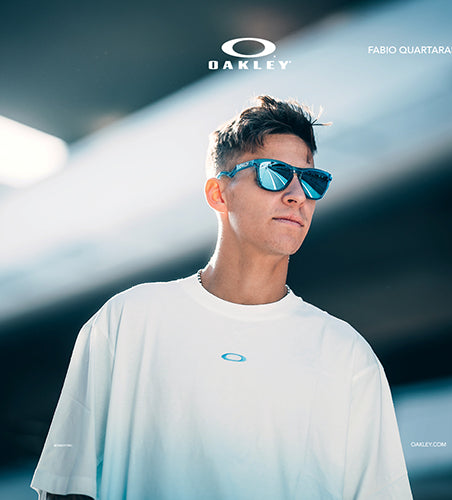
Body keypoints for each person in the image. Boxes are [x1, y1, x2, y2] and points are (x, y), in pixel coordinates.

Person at [31, 95, 413, 499]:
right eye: (274, 174)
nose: (297, 195)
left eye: (312, 181)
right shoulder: (129, 321)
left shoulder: (347, 356)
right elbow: (65, 487)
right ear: (218, 194)